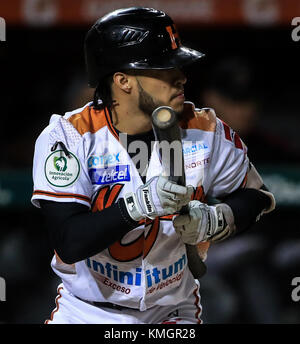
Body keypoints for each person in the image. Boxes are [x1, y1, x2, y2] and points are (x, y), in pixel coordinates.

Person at [31, 7, 275, 324]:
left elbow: (256, 196)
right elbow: (69, 240)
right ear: (123, 81)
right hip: (88, 312)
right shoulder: (68, 137)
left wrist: (218, 218)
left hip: (172, 312)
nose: (181, 77)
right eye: (164, 69)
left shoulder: (204, 129)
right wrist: (140, 204)